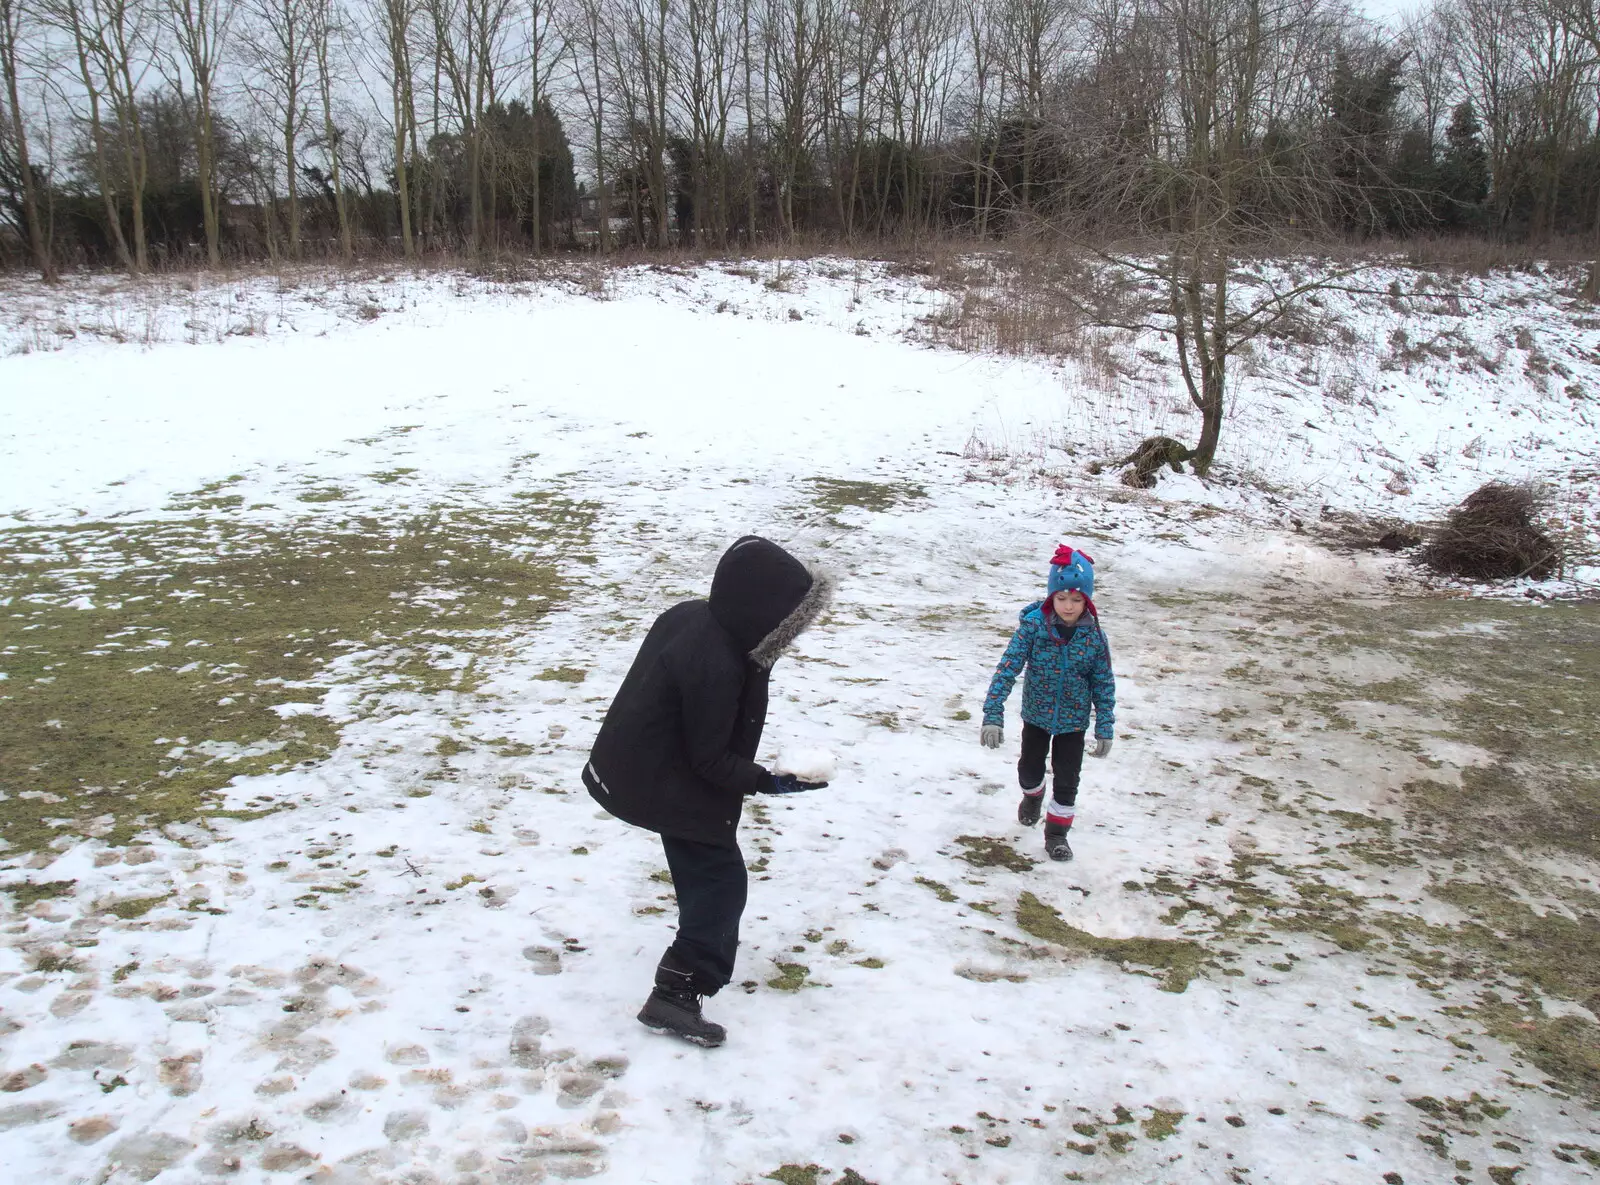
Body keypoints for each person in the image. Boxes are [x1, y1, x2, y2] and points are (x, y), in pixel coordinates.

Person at [582, 535, 833, 1047]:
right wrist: (770, 781)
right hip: (670, 779)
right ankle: (675, 994)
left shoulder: (697, 616)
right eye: (788, 621)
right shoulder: (716, 662)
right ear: (759, 610)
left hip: (649, 759)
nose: (793, 634)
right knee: (720, 884)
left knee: (711, 877)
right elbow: (709, 759)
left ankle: (679, 984)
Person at [980, 544, 1116, 862]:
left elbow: (1104, 683)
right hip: (1037, 717)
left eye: (1077, 599)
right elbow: (1007, 669)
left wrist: (1105, 725)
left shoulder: (1094, 638)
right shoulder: (1033, 629)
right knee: (1029, 769)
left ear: (1087, 600)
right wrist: (992, 713)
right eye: (1062, 598)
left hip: (1074, 722)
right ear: (1051, 597)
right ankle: (1033, 794)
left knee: (1068, 780)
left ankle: (1056, 835)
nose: (1068, 606)